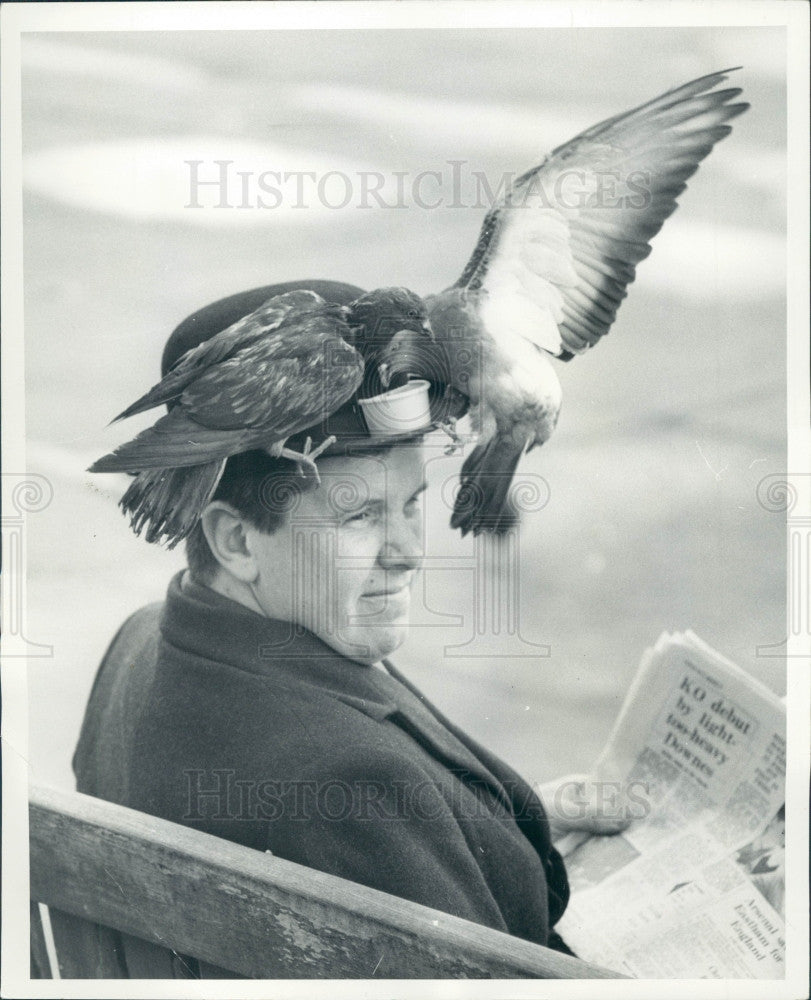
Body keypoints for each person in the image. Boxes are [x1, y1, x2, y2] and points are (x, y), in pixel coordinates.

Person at [73, 279, 623, 975]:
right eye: (360, 517)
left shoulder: (143, 639)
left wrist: (492, 831)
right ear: (237, 542)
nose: (407, 552)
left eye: (412, 504)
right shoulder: (350, 786)